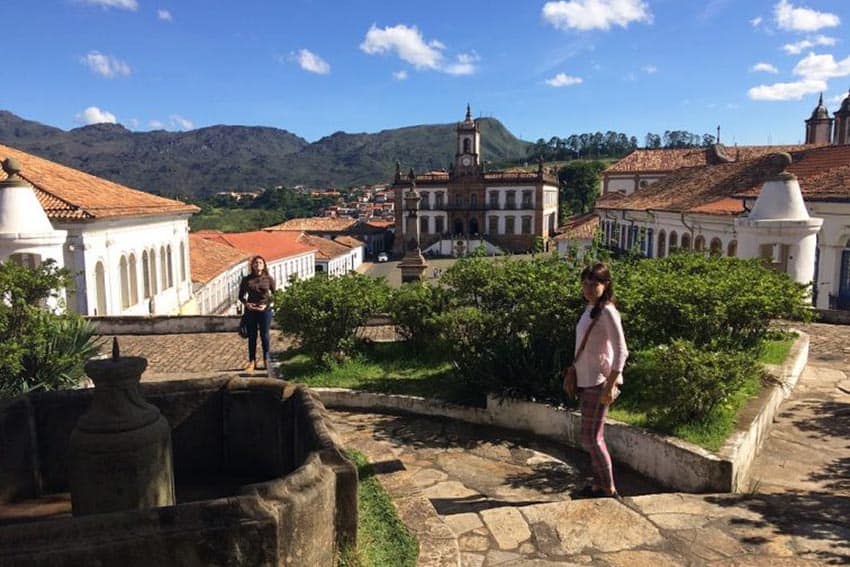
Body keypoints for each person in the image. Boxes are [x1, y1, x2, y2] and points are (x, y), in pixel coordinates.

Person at [568, 262, 628, 499]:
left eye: (595, 283)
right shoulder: (591, 308)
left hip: (599, 382)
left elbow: (622, 350)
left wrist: (611, 384)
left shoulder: (607, 312)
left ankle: (608, 488)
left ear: (606, 285)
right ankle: (599, 484)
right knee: (590, 437)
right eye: (585, 283)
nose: (589, 288)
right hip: (587, 379)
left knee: (592, 438)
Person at [238, 256, 276, 371]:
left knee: (264, 335)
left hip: (264, 310)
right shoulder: (246, 279)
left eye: (260, 262)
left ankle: (266, 360)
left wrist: (266, 305)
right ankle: (252, 361)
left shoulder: (269, 279)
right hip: (251, 310)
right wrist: (247, 304)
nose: (257, 264)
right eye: (255, 263)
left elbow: (274, 295)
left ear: (263, 265)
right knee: (252, 336)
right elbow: (241, 296)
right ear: (252, 266)